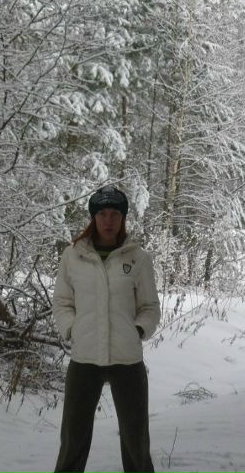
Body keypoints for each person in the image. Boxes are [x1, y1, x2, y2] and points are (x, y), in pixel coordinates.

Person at [52, 184, 161, 473]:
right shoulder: (73, 256)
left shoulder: (137, 258)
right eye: (102, 213)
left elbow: (150, 307)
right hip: (84, 358)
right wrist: (72, 329)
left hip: (127, 359)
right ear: (93, 217)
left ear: (123, 218)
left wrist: (137, 330)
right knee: (72, 440)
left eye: (115, 213)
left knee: (136, 441)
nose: (109, 220)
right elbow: (62, 303)